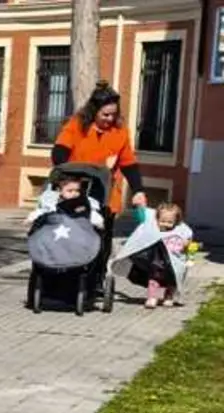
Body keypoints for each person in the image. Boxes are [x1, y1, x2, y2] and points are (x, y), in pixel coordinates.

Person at [51, 81, 149, 294]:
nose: (110, 119)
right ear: (94, 110)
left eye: (113, 114)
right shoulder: (77, 125)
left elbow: (129, 163)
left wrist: (138, 190)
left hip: (105, 194)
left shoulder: (120, 132)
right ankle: (67, 277)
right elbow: (60, 151)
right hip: (76, 192)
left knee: (102, 240)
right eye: (105, 115)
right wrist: (64, 175)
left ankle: (95, 281)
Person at [112, 202, 195, 309]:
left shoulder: (182, 231)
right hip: (157, 261)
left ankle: (168, 297)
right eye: (162, 221)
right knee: (154, 279)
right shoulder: (152, 229)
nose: (165, 224)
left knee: (172, 282)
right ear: (157, 219)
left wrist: (188, 249)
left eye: (170, 222)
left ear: (177, 221)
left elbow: (190, 244)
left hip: (174, 263)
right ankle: (152, 297)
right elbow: (140, 237)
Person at [25, 175, 104, 230]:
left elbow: (91, 213)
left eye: (77, 191)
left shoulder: (82, 203)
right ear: (60, 191)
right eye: (70, 191)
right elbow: (41, 211)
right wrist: (31, 218)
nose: (74, 193)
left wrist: (98, 223)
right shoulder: (52, 202)